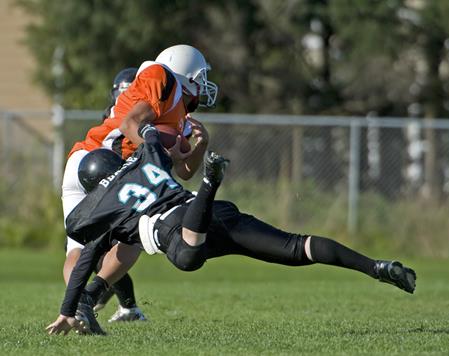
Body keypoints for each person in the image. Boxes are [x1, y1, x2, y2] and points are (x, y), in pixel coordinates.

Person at [47, 123, 417, 336]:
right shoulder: (145, 159)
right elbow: (154, 139)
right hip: (211, 214)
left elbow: (85, 260)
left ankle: (211, 182)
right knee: (295, 248)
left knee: (188, 257)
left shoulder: (97, 207)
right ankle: (376, 267)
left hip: (181, 228)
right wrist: (151, 128)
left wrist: (68, 308)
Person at [60, 44, 215, 325]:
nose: (203, 85)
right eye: (199, 76)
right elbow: (131, 125)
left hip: (85, 159)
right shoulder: (162, 77)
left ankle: (79, 307)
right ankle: (89, 299)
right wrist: (156, 152)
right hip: (105, 161)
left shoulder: (179, 115)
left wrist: (201, 145)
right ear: (184, 72)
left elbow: (185, 171)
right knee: (133, 238)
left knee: (80, 248)